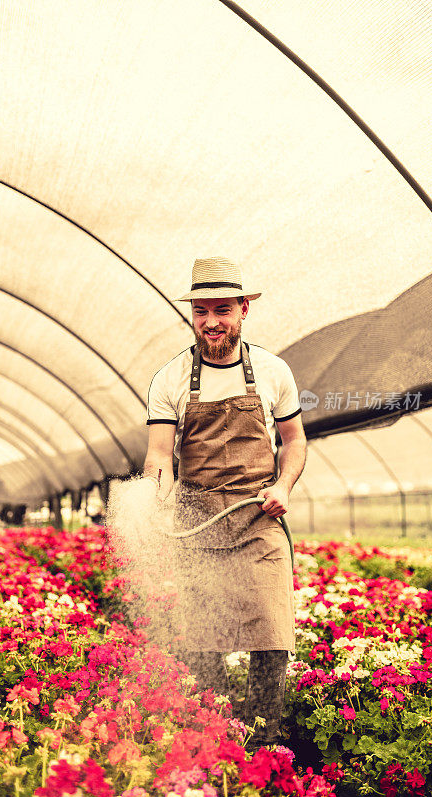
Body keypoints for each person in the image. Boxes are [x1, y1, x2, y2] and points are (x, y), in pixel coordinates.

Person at [141, 256, 306, 746]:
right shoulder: (169, 379)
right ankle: (212, 741)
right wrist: (156, 495)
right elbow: (159, 455)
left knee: (273, 638)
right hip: (197, 521)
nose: (211, 321)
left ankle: (261, 745)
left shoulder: (274, 372)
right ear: (192, 314)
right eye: (201, 311)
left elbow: (294, 441)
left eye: (222, 309)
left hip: (257, 516)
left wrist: (282, 486)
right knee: (201, 644)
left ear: (243, 309)